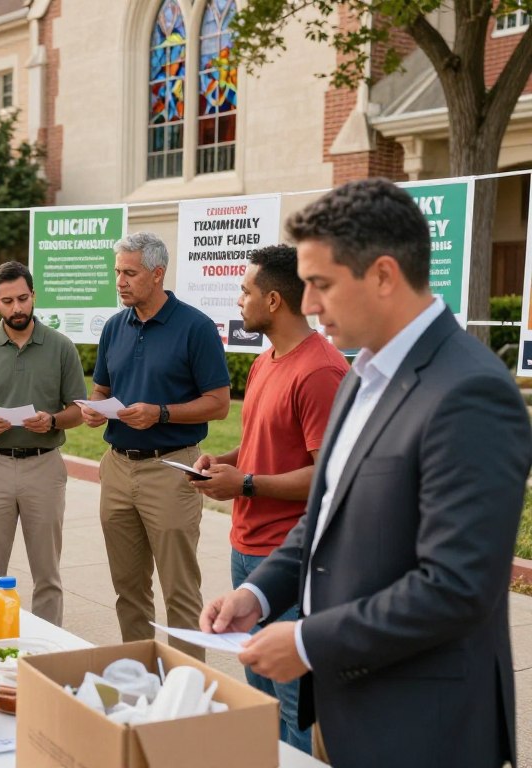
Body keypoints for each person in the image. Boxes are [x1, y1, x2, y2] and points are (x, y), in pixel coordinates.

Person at [201, 179, 532, 768]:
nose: (307, 305)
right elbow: (324, 518)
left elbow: (456, 586)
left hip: (421, 726)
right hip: (343, 703)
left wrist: (306, 640)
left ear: (383, 275)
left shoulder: (471, 392)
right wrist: (259, 592)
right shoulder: (362, 373)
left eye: (322, 285)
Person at [190, 243, 348, 753]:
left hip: (287, 558)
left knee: (292, 704)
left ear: (275, 301)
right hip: (244, 551)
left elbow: (329, 474)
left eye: (246, 291)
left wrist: (248, 484)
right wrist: (224, 461)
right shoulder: (264, 363)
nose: (239, 300)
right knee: (257, 698)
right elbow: (262, 443)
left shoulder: (320, 370)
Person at [80, 232, 230, 659]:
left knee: (179, 591)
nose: (120, 282)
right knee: (128, 589)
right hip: (117, 467)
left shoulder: (195, 327)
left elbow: (218, 405)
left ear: (157, 273)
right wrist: (95, 410)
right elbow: (101, 390)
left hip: (172, 469)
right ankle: (140, 678)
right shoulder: (114, 326)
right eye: (117, 273)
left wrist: (160, 413)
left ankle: (185, 684)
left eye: (130, 273)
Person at [0, 261, 87, 625]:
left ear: (34, 297)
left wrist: (53, 420)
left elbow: (78, 408)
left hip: (44, 465)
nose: (18, 308)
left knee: (47, 572)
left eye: (24, 299)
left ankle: (47, 647)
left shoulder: (61, 347)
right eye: (8, 301)